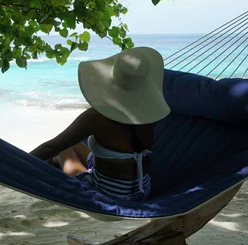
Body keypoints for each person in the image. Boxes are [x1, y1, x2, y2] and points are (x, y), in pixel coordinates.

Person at [30, 46, 170, 201]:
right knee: (73, 146)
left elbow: (50, 147)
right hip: (143, 187)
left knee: (62, 152)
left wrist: (15, 162)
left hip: (109, 193)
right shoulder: (149, 111)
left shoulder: (96, 117)